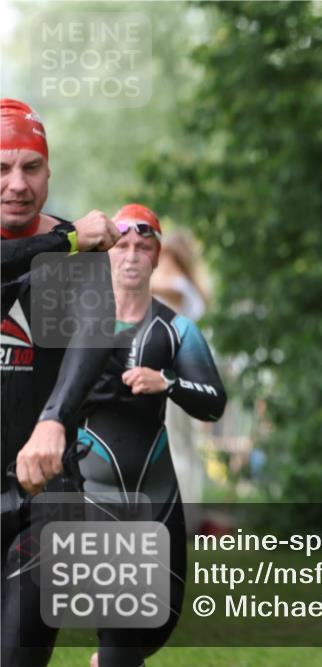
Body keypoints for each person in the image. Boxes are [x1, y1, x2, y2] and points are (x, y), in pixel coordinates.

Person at [6, 203, 227, 667]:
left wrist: (166, 383)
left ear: (157, 255)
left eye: (143, 246)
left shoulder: (174, 327)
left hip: (150, 482)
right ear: (104, 253)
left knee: (148, 630)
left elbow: (214, 401)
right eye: (121, 245)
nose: (130, 256)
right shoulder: (68, 319)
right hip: (85, 486)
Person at [2, 98, 121, 665]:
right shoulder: (71, 243)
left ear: (49, 172)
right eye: (2, 168)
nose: (18, 184)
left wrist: (53, 420)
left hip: (43, 491)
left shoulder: (80, 258)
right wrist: (66, 239)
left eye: (32, 167)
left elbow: (94, 336)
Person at [151, 228, 211, 531]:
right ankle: (186, 517)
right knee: (183, 446)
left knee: (175, 446)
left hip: (175, 374)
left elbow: (153, 288)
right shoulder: (192, 290)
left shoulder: (177, 289)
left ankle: (181, 518)